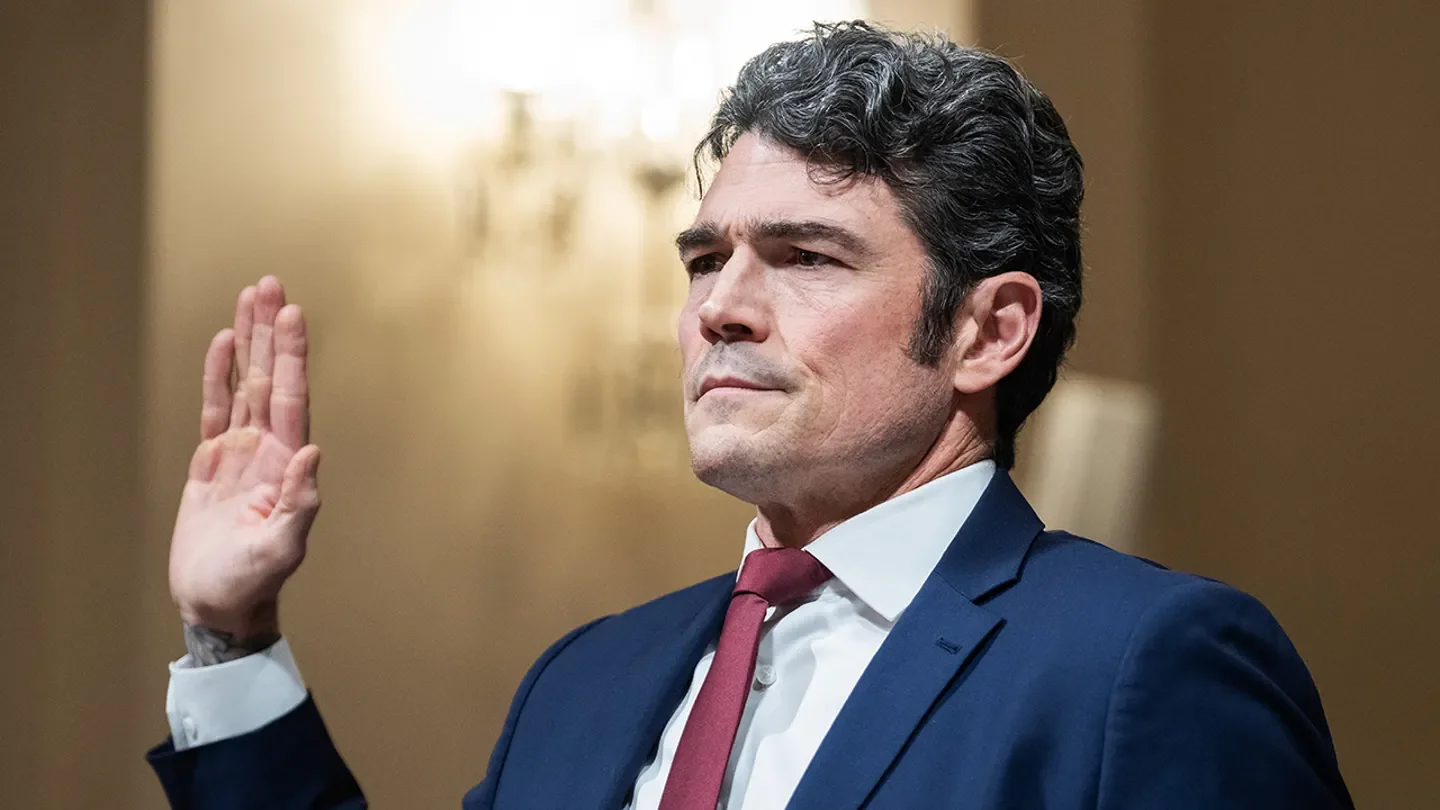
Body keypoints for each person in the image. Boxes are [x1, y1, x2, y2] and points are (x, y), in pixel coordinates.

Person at [147, 21, 1353, 810]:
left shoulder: (1141, 662)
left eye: (806, 257)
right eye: (703, 259)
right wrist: (230, 637)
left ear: (989, 331)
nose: (717, 308)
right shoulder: (586, 678)